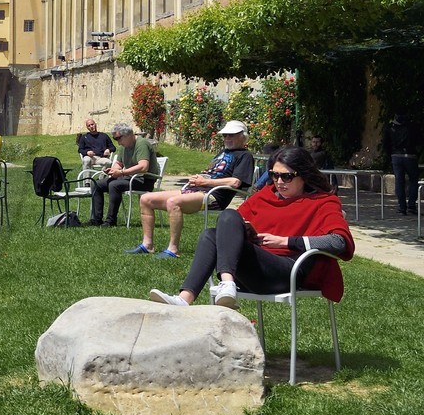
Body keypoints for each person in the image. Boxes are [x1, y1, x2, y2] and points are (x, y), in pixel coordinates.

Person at [149, 147, 354, 308]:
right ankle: (188, 297)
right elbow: (233, 223)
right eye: (274, 175)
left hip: (288, 272)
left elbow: (338, 242)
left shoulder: (323, 202)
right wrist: (245, 231)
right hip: (253, 269)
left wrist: (286, 241)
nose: (279, 181)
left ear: (304, 175)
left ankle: (225, 286)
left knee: (222, 224)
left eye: (287, 176)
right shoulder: (265, 195)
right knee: (214, 230)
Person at [128, 119, 256, 258]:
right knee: (146, 199)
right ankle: (147, 245)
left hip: (213, 196)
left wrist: (205, 182)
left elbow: (235, 182)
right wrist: (198, 178)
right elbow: (212, 172)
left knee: (173, 202)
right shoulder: (223, 152)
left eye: (231, 135)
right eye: (225, 135)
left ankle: (173, 249)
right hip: (197, 189)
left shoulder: (245, 156)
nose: (227, 138)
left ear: (242, 136)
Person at [86, 122, 156, 226]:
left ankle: (111, 221)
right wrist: (113, 170)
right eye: (115, 139)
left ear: (129, 134)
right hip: (130, 178)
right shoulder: (124, 146)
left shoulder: (141, 144)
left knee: (114, 185)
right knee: (97, 184)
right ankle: (96, 219)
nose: (118, 143)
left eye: (118, 138)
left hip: (144, 180)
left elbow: (143, 167)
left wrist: (122, 172)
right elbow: (119, 163)